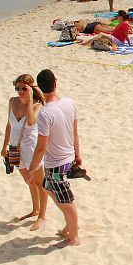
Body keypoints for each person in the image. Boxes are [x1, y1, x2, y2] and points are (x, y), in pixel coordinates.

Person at [28, 69, 81, 247]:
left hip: (57, 163)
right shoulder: (69, 103)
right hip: (66, 159)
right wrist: (78, 154)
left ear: (40, 89)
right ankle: (70, 223)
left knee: (67, 200)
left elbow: (41, 146)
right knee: (48, 188)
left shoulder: (45, 113)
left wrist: (32, 169)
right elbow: (75, 132)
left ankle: (73, 236)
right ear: (55, 83)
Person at [1, 74, 44, 222]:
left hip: (31, 147)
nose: (20, 91)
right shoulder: (12, 101)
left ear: (31, 88)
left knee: (39, 182)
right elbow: (9, 125)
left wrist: (30, 99)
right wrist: (4, 146)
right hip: (15, 147)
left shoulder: (37, 105)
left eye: (24, 88)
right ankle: (35, 209)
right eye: (17, 88)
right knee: (28, 181)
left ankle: (42, 215)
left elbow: (31, 122)